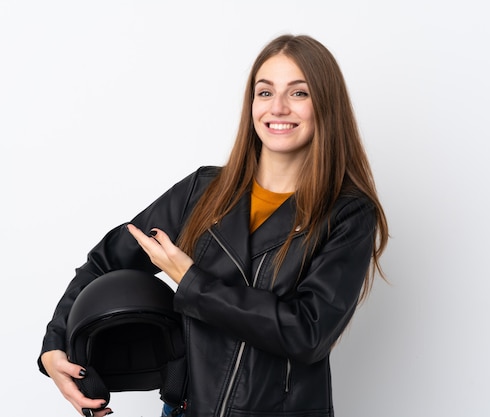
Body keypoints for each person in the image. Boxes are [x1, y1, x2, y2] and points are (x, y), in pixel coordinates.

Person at [38, 33, 389, 417]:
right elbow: (106, 263)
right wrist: (55, 343)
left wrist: (192, 283)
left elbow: (307, 333)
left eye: (299, 93)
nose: (279, 107)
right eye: (265, 92)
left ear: (326, 104)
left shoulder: (347, 213)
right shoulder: (202, 191)